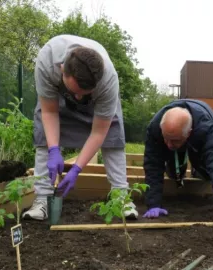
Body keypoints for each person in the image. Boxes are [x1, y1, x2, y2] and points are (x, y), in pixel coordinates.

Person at [22, 34, 138, 221]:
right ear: (62, 70)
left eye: (83, 93)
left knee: (114, 137)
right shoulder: (47, 61)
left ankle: (121, 197)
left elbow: (100, 132)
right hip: (58, 100)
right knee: (44, 133)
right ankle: (42, 198)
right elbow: (50, 113)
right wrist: (53, 150)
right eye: (75, 92)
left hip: (96, 104)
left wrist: (77, 168)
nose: (77, 98)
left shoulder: (108, 80)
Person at [143, 99, 213, 228]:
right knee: (173, 170)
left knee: (205, 170)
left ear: (189, 133)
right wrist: (153, 203)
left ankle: (198, 168)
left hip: (202, 126)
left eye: (174, 140)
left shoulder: (206, 127)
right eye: (166, 139)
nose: (168, 144)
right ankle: (178, 169)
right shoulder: (155, 127)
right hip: (181, 132)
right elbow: (152, 164)